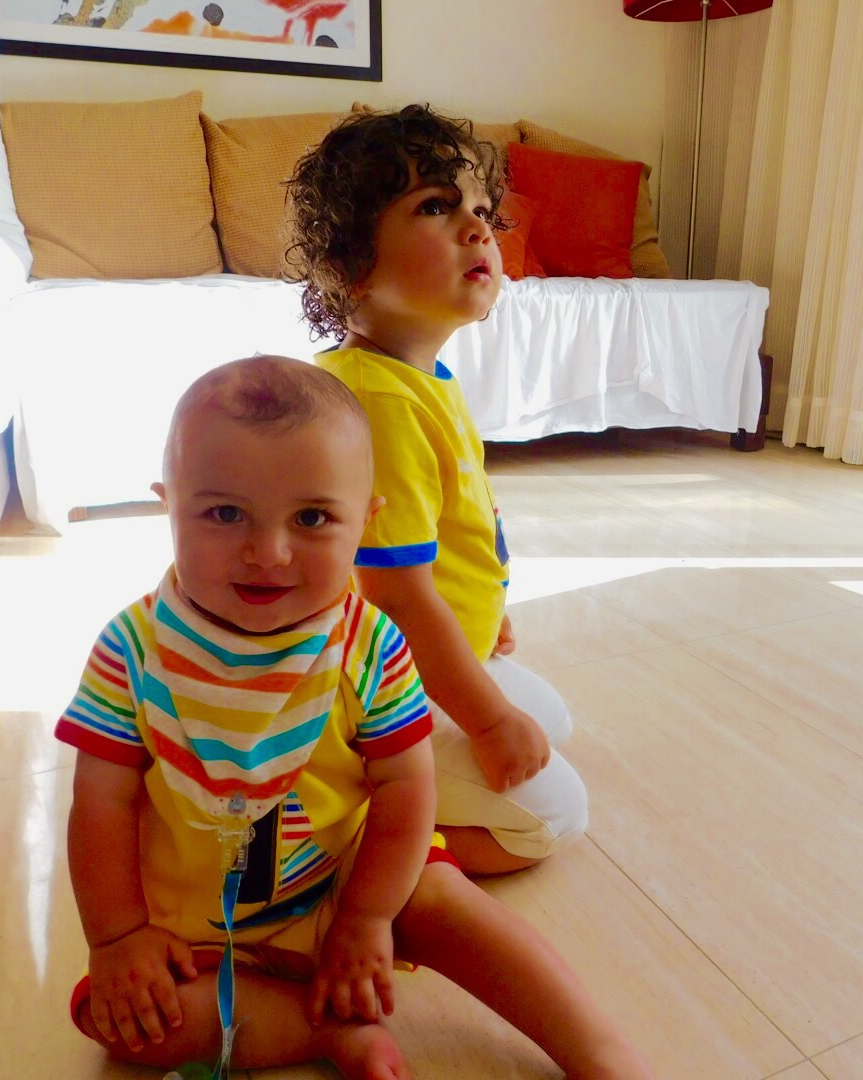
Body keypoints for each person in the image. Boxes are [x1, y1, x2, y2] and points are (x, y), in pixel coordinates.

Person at [58, 356, 649, 1079]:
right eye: (224, 514)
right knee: (123, 1023)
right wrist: (118, 937)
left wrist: (367, 916)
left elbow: (406, 786)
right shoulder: (131, 650)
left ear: (366, 519)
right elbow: (102, 800)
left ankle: (597, 1047)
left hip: (352, 881)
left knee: (446, 901)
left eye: (311, 518)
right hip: (201, 929)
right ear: (168, 506)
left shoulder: (369, 643)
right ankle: (322, 1030)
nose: (268, 553)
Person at [287, 105, 588, 876]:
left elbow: (454, 532)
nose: (478, 228)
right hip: (372, 690)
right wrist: (487, 724)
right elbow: (394, 598)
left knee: (551, 720)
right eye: (436, 207)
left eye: (482, 210)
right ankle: (360, 847)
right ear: (351, 264)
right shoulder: (377, 402)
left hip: (415, 661)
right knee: (555, 817)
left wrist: (485, 613)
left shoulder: (420, 379)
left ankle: (415, 775)